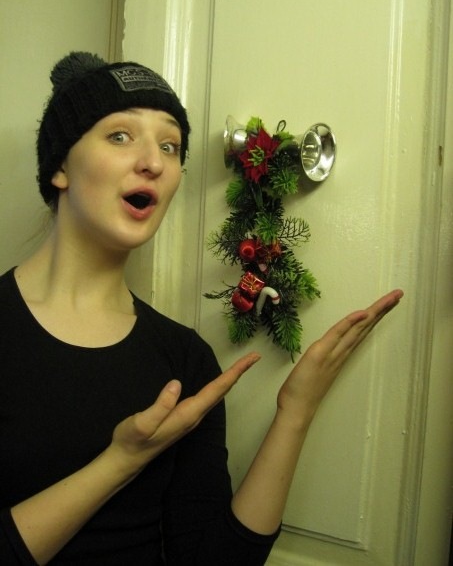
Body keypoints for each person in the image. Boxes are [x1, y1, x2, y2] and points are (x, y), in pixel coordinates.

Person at [0, 52, 403, 566]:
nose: (154, 162)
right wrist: (121, 462)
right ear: (60, 165)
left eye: (169, 146)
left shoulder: (184, 360)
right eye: (120, 136)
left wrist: (295, 411)